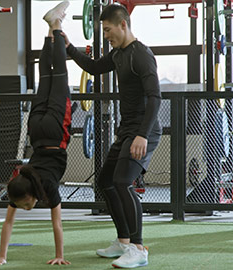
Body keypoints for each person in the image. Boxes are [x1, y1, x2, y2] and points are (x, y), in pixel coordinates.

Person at [62, 4, 161, 269]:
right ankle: (123, 241)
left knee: (122, 182)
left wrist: (142, 134)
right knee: (106, 180)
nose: (105, 35)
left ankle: (138, 249)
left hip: (144, 131)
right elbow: (94, 68)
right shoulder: (118, 54)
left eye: (107, 30)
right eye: (103, 30)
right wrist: (69, 47)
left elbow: (155, 98)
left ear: (123, 25)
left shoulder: (141, 55)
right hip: (127, 130)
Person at [0, 0, 72, 266]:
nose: (23, 209)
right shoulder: (21, 183)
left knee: (60, 75)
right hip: (37, 131)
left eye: (24, 205)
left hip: (55, 133)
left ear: (32, 194)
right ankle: (50, 29)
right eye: (21, 206)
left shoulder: (46, 187)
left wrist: (60, 256)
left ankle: (55, 25)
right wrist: (1, 256)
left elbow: (57, 224)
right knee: (46, 76)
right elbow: (9, 222)